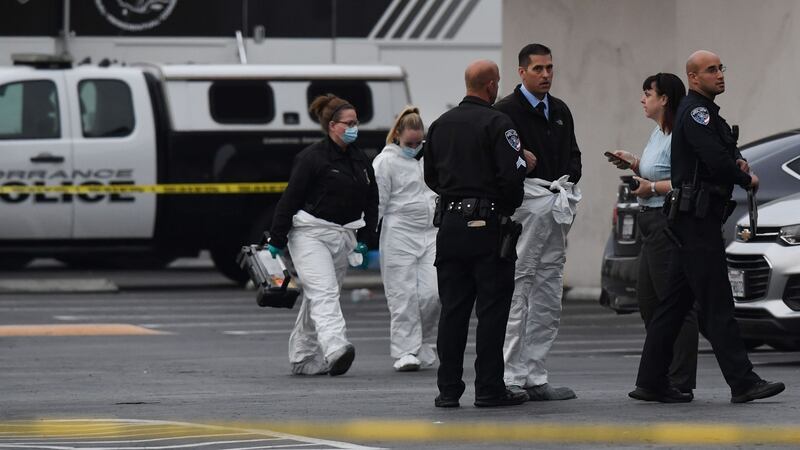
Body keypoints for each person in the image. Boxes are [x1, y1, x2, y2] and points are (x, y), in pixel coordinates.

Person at [631, 50, 785, 403]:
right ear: (693, 78)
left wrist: (739, 161)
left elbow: (724, 151)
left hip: (692, 220)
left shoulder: (704, 114)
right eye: (711, 70)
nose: (720, 75)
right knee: (717, 304)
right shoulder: (697, 112)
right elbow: (715, 160)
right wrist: (744, 179)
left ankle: (651, 381)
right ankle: (743, 381)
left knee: (672, 306)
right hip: (696, 222)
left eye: (721, 68)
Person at [424, 59, 533, 408]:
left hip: (451, 227)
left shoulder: (440, 125)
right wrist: (504, 202)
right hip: (488, 227)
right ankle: (488, 388)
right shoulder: (499, 122)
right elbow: (512, 176)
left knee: (453, 311)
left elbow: (431, 177)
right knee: (492, 310)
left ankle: (448, 390)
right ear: (490, 86)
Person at [267, 93, 378, 377]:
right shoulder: (311, 158)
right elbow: (290, 199)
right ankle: (336, 347)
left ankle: (303, 356)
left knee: (319, 295)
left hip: (343, 235)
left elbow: (371, 201)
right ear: (332, 125)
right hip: (309, 233)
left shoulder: (360, 160)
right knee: (325, 292)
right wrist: (276, 241)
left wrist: (366, 240)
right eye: (349, 122)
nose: (355, 127)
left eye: (356, 122)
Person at [494, 43, 582, 401]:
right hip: (526, 208)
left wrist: (570, 179)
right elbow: (500, 166)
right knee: (520, 286)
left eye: (549, 68)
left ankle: (535, 373)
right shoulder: (506, 113)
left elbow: (573, 154)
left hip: (556, 204)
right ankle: (510, 375)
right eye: (538, 69)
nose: (546, 75)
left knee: (548, 292)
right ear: (522, 72)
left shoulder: (559, 110)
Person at [607, 73, 699, 397]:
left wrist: (652, 187)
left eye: (648, 93)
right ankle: (660, 371)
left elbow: (686, 181)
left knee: (675, 304)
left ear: (664, 99)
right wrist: (633, 163)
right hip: (649, 222)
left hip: (667, 221)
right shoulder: (657, 132)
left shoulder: (681, 135)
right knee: (648, 301)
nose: (642, 99)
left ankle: (679, 381)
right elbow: (653, 170)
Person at [372, 106, 440, 372]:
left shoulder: (429, 159)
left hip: (431, 233)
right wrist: (366, 236)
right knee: (403, 295)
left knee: (433, 294)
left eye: (418, 142)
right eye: (409, 143)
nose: (414, 147)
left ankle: (425, 343)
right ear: (397, 136)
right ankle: (405, 351)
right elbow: (378, 201)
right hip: (398, 232)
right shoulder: (385, 162)